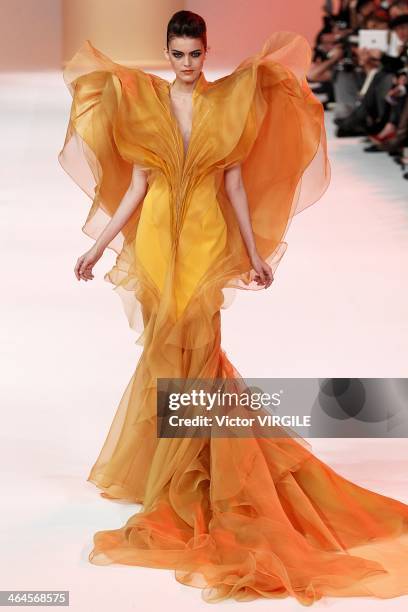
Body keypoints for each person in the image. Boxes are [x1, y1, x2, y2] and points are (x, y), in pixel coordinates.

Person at [58, 9, 408, 605]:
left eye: (195, 54)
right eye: (178, 55)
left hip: (204, 237)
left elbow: (237, 186)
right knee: (163, 349)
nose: (188, 65)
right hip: (156, 237)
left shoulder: (228, 104)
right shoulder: (145, 104)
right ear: (166, 53)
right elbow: (139, 187)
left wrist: (254, 253)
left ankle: (194, 467)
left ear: (206, 51)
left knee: (199, 346)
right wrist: (95, 246)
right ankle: (169, 464)